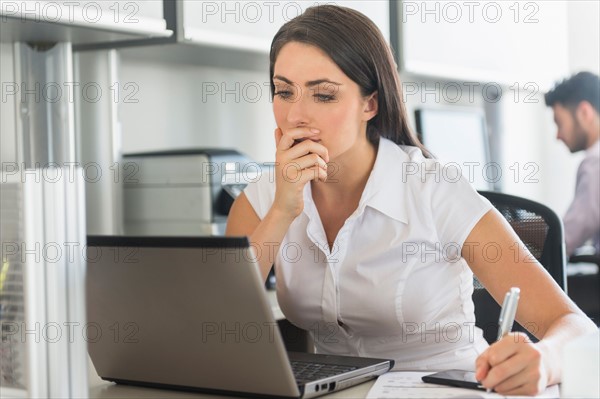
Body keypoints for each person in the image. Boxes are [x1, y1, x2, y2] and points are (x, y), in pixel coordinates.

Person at [226, 5, 596, 396]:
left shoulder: (432, 188)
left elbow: (574, 325)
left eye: (323, 95)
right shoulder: (262, 200)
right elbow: (217, 329)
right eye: (284, 91)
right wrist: (283, 212)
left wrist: (547, 360)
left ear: (370, 104)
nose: (296, 114)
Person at [545, 72, 600, 258]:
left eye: (559, 123)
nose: (558, 135)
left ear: (585, 112)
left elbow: (565, 238)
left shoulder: (595, 163)